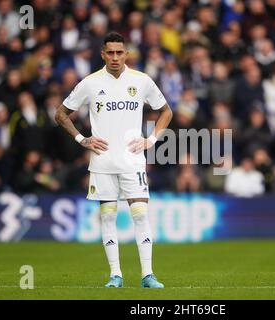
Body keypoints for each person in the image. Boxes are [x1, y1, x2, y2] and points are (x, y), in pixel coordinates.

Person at [55, 32, 173, 288]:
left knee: (140, 215)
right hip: (102, 162)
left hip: (133, 160)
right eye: (110, 52)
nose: (115, 57)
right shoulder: (90, 82)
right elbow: (61, 113)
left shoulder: (141, 81)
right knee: (108, 217)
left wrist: (150, 141)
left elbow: (166, 111)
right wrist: (81, 139)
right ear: (103, 54)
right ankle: (115, 275)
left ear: (127, 54)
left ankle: (147, 275)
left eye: (120, 52)